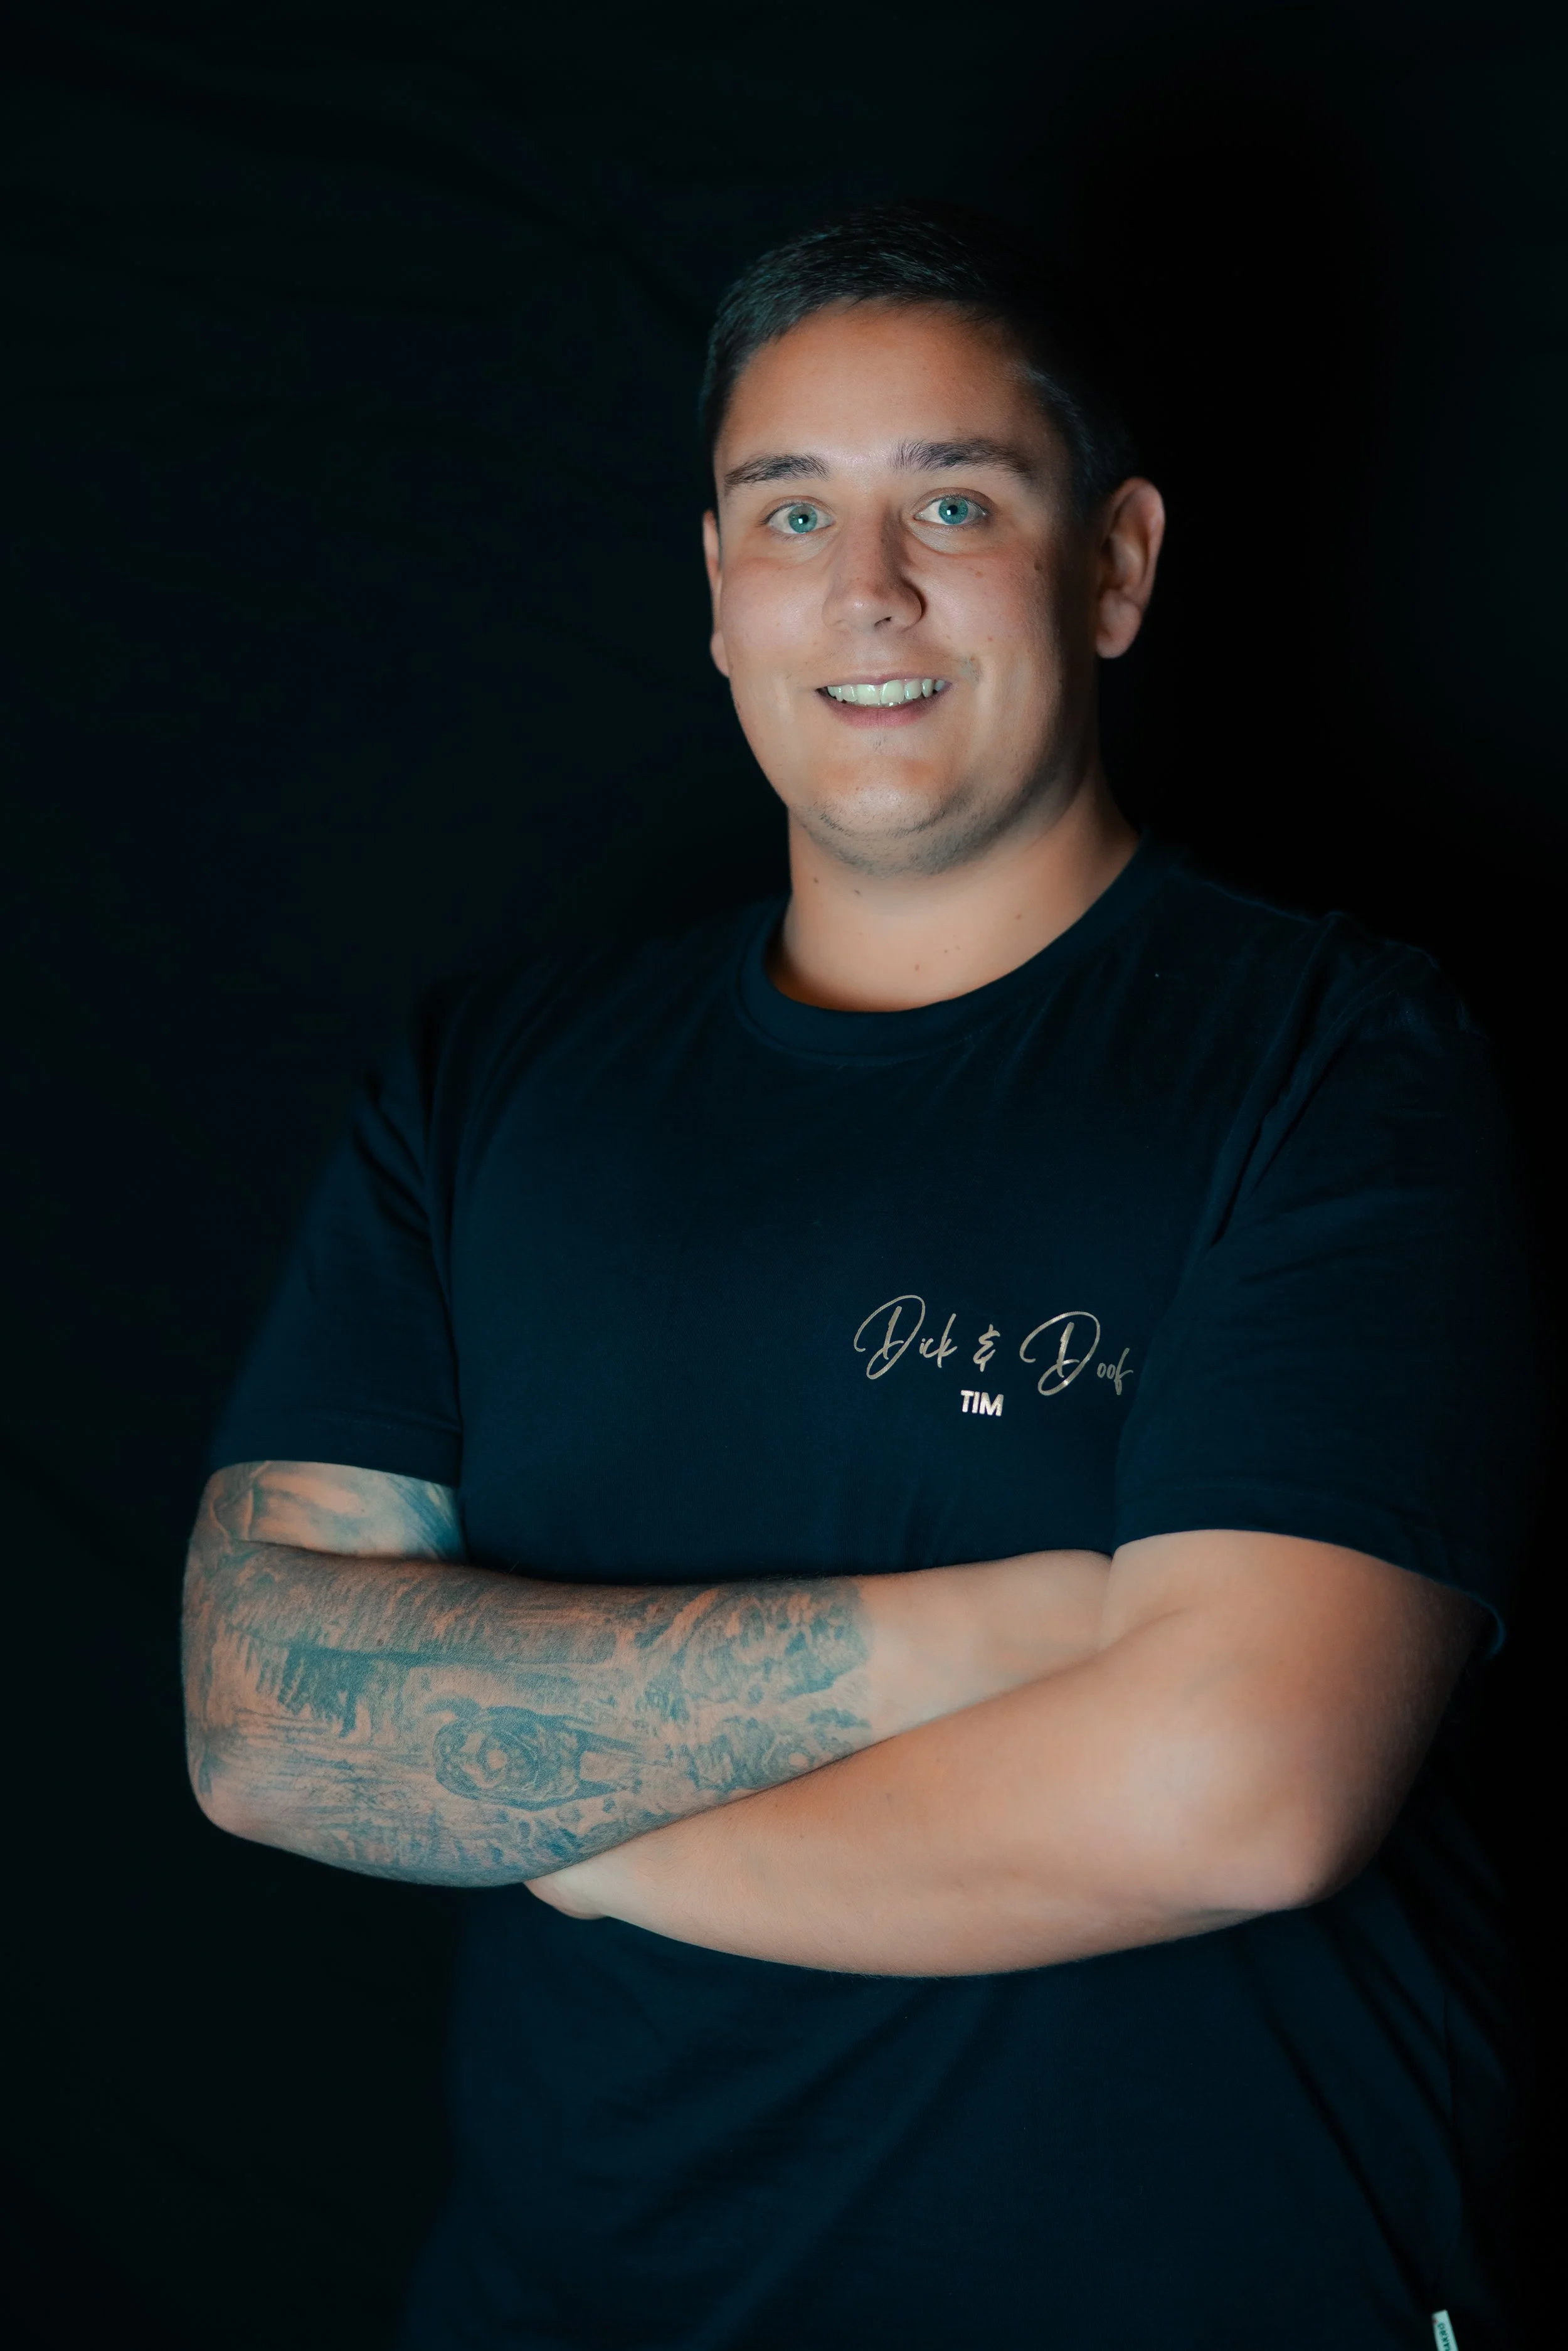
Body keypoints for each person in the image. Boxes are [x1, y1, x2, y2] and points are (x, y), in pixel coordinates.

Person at [184, 204, 1532, 2350]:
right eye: (791, 508)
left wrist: (556, 1826)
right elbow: (265, 1716)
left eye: (955, 501)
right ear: (719, 590)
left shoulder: (1338, 1056)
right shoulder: (489, 1081)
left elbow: (1238, 1790)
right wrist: (1013, 1630)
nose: (867, 586)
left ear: (1115, 566)